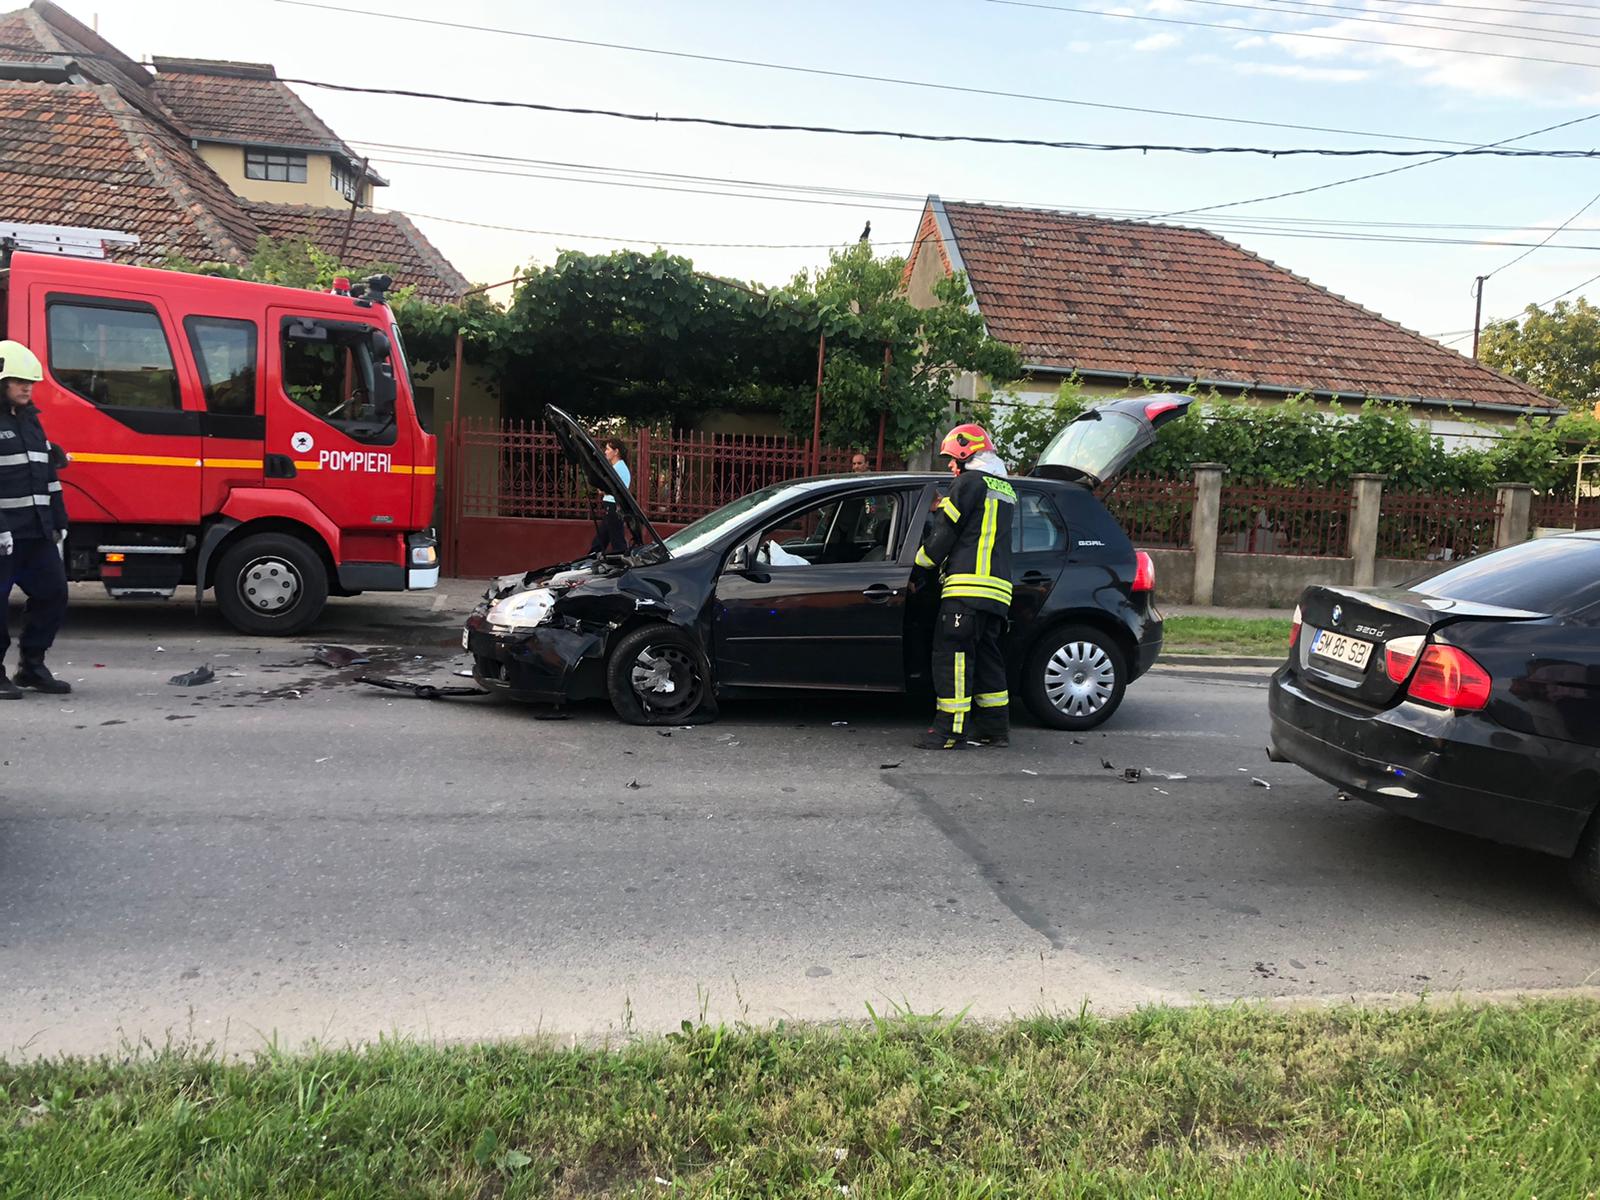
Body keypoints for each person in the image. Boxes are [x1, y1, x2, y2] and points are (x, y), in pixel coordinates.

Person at [910, 423, 1014, 750]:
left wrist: (920, 566)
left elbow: (945, 534)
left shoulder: (968, 483)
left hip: (966, 591)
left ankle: (949, 732)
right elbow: (977, 527)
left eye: (954, 459)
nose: (951, 466)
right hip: (996, 592)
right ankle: (995, 729)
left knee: (952, 659)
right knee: (987, 659)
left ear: (968, 453)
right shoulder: (1006, 490)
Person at [0, 340, 72, 697]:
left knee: (54, 593)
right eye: (18, 381)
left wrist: (58, 520)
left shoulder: (32, 424)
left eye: (30, 382)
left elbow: (49, 479)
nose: (27, 387)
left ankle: (31, 666)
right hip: (3, 537)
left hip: (36, 533)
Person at [589, 436, 633, 556]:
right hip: (612, 505)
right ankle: (593, 555)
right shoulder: (617, 467)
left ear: (616, 451)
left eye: (608, 449)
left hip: (614, 506)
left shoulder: (618, 468)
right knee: (603, 536)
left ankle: (622, 561)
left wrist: (602, 489)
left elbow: (612, 489)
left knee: (616, 539)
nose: (605, 452)